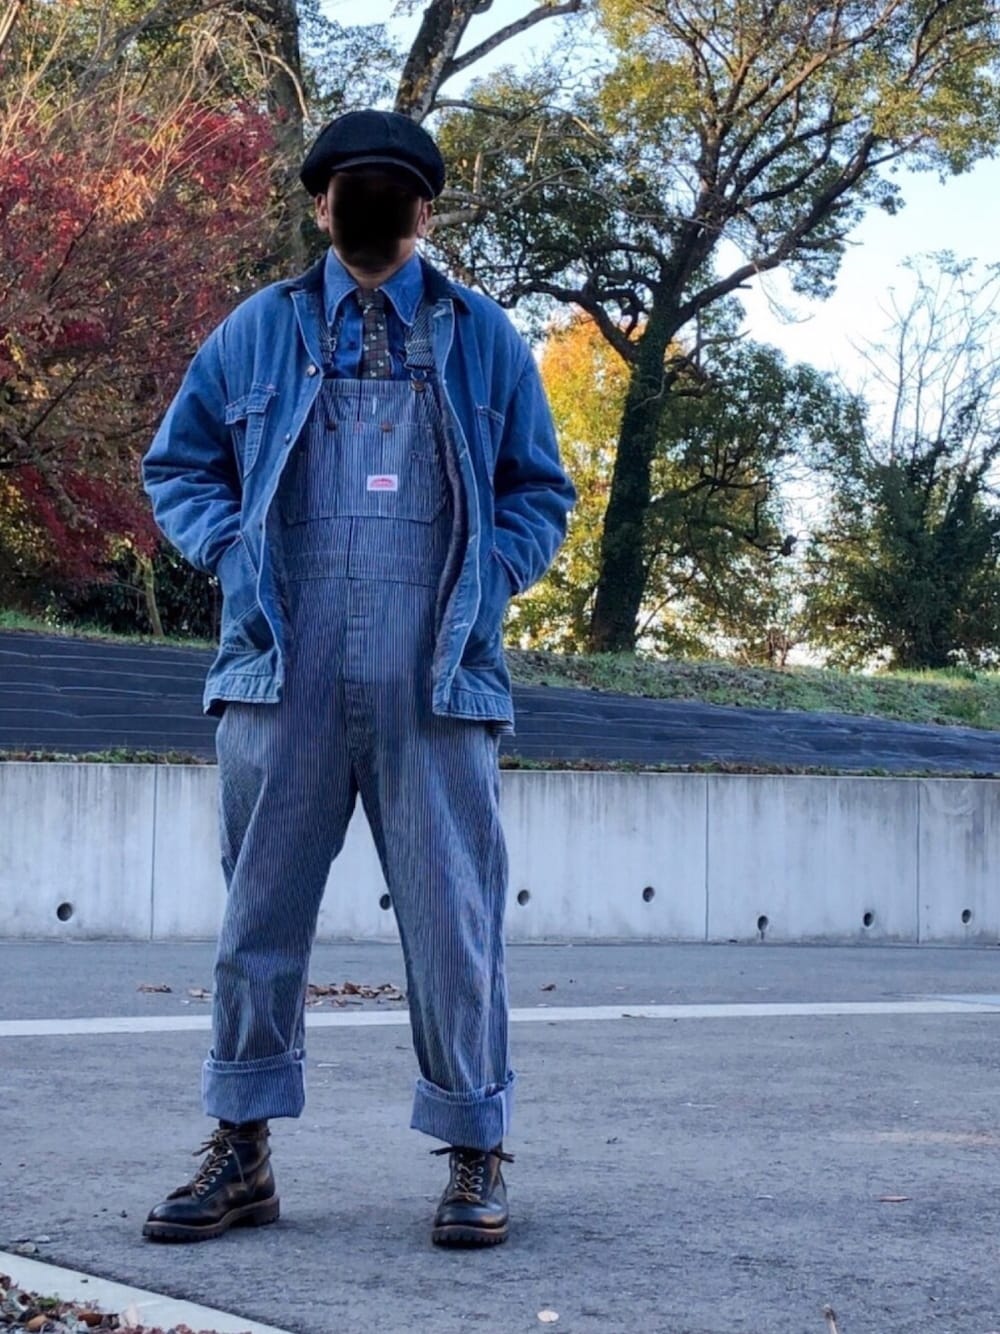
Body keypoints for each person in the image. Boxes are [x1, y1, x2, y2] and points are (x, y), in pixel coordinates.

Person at [140, 109, 575, 1248]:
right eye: (351, 184)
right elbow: (177, 464)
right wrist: (232, 549)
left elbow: (540, 490)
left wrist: (491, 570)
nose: (372, 203)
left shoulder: (483, 338)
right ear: (321, 204)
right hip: (280, 670)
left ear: (424, 208)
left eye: (393, 186)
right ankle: (242, 1152)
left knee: (454, 926)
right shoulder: (256, 331)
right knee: (256, 924)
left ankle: (475, 1148)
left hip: (436, 680)